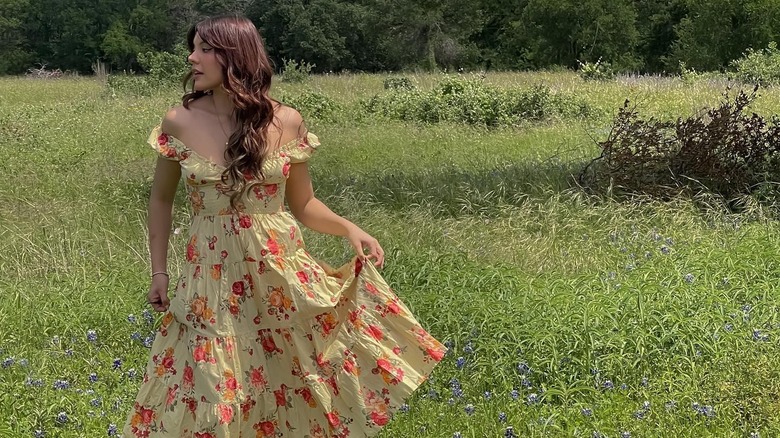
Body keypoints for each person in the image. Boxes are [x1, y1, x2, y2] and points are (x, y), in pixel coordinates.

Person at [122, 14, 445, 438]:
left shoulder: (286, 121)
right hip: (210, 278)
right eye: (194, 47)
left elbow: (303, 203)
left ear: (234, 56)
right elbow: (160, 200)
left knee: (287, 374)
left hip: (277, 275)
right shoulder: (178, 121)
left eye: (204, 49)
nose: (191, 57)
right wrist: (159, 271)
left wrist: (350, 228)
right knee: (214, 385)